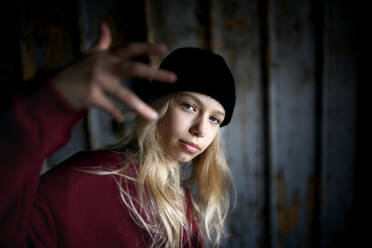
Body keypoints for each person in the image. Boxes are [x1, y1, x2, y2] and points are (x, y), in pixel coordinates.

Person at [0, 23, 236, 248]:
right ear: (158, 107)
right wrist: (50, 104)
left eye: (215, 119)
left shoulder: (187, 209)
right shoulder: (92, 175)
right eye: (189, 106)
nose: (201, 130)